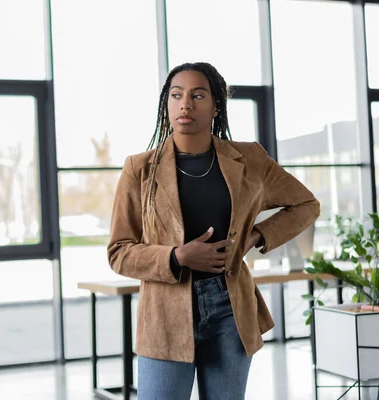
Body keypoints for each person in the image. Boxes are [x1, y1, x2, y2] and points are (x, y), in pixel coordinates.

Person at [107, 62, 320, 400]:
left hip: (230, 308)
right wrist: (177, 256)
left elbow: (306, 205)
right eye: (176, 95)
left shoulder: (249, 158)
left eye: (198, 95)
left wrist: (254, 237)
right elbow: (119, 251)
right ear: (167, 104)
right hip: (164, 312)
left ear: (216, 106)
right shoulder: (140, 169)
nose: (185, 104)